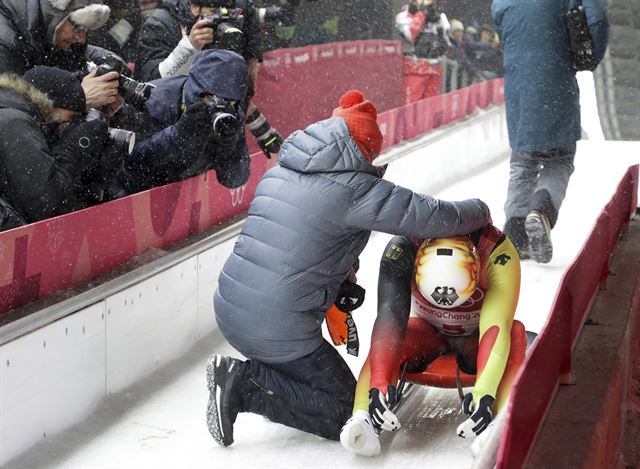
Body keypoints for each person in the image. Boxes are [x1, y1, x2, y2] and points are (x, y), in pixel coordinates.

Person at [206, 89, 492, 447]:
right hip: (274, 327)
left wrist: (339, 278)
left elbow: (297, 241)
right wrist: (480, 210)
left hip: (230, 308)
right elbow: (430, 216)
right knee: (345, 408)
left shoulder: (281, 171)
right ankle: (244, 385)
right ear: (363, 148)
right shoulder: (355, 188)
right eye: (373, 150)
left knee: (315, 376)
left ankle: (260, 375)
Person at [340, 225, 526, 456]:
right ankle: (362, 417)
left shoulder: (499, 253)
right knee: (397, 332)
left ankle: (500, 422)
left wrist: (485, 391)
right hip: (428, 332)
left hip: (475, 338)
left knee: (515, 332)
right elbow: (389, 318)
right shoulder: (402, 249)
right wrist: (379, 381)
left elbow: (496, 325)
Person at [492, 0, 609, 263]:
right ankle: (541, 212)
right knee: (559, 159)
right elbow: (598, 17)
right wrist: (590, 57)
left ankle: (514, 235)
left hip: (518, 89)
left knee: (523, 163)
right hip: (555, 83)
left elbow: (504, 31)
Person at [135, 0, 282, 157]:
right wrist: (190, 46)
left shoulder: (223, 23)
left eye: (223, 9)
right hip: (164, 130)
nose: (220, 14)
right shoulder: (160, 23)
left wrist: (252, 57)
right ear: (194, 8)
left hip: (208, 130)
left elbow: (247, 10)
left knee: (233, 172)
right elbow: (151, 85)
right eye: (213, 10)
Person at [110, 49, 251, 193]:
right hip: (137, 197)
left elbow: (235, 179)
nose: (220, 107)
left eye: (230, 102)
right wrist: (178, 134)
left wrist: (228, 147)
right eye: (213, 99)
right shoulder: (154, 101)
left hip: (184, 196)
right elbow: (129, 164)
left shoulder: (230, 114)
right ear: (197, 90)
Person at [0, 67, 112, 229]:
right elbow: (47, 206)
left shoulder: (10, 114)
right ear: (50, 104)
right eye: (72, 119)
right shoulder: (15, 123)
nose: (68, 127)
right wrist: (74, 146)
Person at [0, 0, 123, 110]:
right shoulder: (5, 41)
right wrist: (79, 98)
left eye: (86, 29)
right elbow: (10, 109)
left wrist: (110, 71)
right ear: (55, 15)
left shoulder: (46, 30)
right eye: (78, 27)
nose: (81, 39)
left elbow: (77, 57)